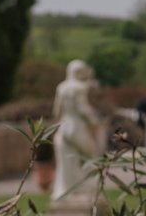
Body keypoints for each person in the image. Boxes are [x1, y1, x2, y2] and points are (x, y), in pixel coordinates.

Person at [52, 60, 107, 200]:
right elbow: (83, 109)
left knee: (67, 160)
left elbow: (56, 111)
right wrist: (95, 121)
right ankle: (87, 188)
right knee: (92, 156)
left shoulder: (61, 87)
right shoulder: (80, 87)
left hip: (63, 127)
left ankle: (66, 190)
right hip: (76, 127)